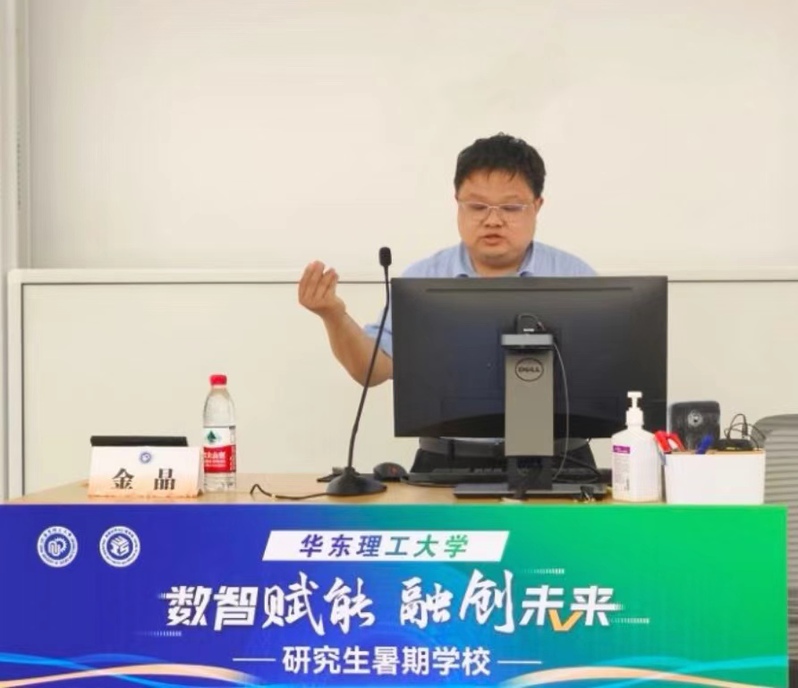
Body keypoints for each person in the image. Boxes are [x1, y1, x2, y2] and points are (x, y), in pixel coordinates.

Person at [298, 132, 595, 388]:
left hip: (558, 438)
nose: (493, 220)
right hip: (448, 439)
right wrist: (334, 316)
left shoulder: (575, 277)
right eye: (477, 206)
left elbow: (604, 368)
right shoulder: (423, 280)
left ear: (537, 206)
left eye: (510, 207)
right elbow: (372, 370)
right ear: (458, 204)